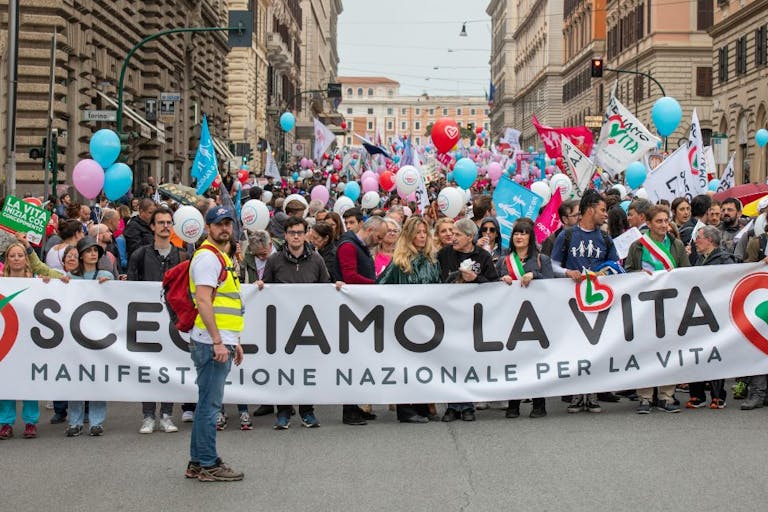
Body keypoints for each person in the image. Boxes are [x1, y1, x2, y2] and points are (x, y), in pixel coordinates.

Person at [184, 206, 245, 482]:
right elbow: (204, 301)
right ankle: (208, 463)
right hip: (211, 342)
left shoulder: (220, 256)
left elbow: (226, 302)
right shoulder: (208, 258)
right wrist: (219, 341)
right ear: (208, 228)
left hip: (218, 340)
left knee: (206, 404)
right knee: (210, 406)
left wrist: (234, 341)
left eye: (227, 224)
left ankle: (198, 461)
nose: (224, 229)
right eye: (218, 224)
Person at [256, 217, 330, 429]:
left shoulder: (316, 260)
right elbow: (266, 290)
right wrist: (260, 286)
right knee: (283, 369)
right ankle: (284, 411)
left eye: (299, 232)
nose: (296, 236)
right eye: (292, 233)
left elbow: (325, 288)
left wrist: (337, 287)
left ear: (306, 234)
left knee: (307, 369)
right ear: (285, 236)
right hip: (282, 326)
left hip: (309, 327)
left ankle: (307, 411)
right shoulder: (274, 261)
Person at [551, 190, 619, 414]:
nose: (605, 215)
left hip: (598, 299)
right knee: (575, 347)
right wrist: (567, 273)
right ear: (590, 209)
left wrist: (606, 273)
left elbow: (615, 265)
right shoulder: (567, 235)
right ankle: (576, 394)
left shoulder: (605, 238)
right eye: (602, 210)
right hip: (572, 300)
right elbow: (552, 265)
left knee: (596, 345)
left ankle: (592, 393)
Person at [624, 205, 690, 413]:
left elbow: (687, 272)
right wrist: (639, 274)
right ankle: (644, 395)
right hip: (644, 306)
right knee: (645, 349)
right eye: (659, 221)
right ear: (649, 224)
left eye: (666, 221)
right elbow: (627, 274)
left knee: (669, 349)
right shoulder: (638, 246)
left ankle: (666, 395)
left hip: (670, 304)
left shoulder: (676, 245)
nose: (663, 225)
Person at [377, 216, 442, 423]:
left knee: (424, 363)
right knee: (405, 364)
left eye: (425, 232)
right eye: (418, 232)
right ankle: (405, 409)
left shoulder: (433, 260)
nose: (422, 236)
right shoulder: (400, 262)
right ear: (409, 235)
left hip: (427, 322)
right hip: (404, 323)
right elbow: (379, 287)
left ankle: (422, 406)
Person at [127, 207, 185, 434]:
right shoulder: (140, 255)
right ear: (152, 227)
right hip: (147, 320)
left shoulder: (181, 255)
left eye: (169, 222)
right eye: (160, 222)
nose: (165, 226)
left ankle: (167, 414)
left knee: (169, 366)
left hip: (173, 320)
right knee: (149, 369)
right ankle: (148, 415)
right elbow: (130, 287)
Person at [437, 218, 498, 422]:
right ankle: (452, 406)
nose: (452, 238)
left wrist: (476, 279)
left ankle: (468, 405)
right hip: (449, 314)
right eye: (451, 234)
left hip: (474, 317)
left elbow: (494, 285)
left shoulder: (482, 256)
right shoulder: (444, 254)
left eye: (457, 235)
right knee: (450, 360)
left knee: (468, 360)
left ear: (470, 237)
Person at [496, 218, 553, 419]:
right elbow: (493, 288)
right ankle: (514, 403)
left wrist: (533, 275)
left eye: (524, 233)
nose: (519, 237)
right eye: (516, 233)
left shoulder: (541, 259)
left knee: (536, 361)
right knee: (514, 361)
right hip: (511, 318)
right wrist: (501, 280)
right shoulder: (504, 260)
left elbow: (551, 285)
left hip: (536, 317)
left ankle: (539, 403)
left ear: (531, 237)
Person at [335, 216, 388, 426]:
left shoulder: (357, 245)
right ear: (370, 230)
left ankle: (356, 406)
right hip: (352, 309)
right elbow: (349, 276)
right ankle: (349, 410)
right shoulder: (348, 246)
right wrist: (376, 284)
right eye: (380, 236)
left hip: (359, 308)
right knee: (353, 361)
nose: (380, 241)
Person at [65, 237, 113, 437]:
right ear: (81, 254)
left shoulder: (105, 274)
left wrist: (110, 284)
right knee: (76, 379)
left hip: (98, 335)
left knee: (96, 377)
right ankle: (74, 421)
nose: (93, 254)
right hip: (75, 334)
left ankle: (96, 421)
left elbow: (115, 297)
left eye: (96, 251)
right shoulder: (70, 277)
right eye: (88, 250)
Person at [687, 226, 735, 410]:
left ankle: (718, 395)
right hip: (697, 313)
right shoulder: (698, 258)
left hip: (716, 313)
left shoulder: (724, 259)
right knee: (696, 353)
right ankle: (697, 395)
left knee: (716, 353)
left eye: (698, 237)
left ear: (709, 240)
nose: (696, 241)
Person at [0, 242, 43, 439]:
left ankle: (30, 421)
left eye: (20, 255)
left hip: (30, 340)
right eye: (12, 255)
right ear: (7, 260)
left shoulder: (37, 281)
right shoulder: (1, 282)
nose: (16, 258)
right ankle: (5, 422)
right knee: (6, 381)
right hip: (7, 338)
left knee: (29, 380)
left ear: (26, 259)